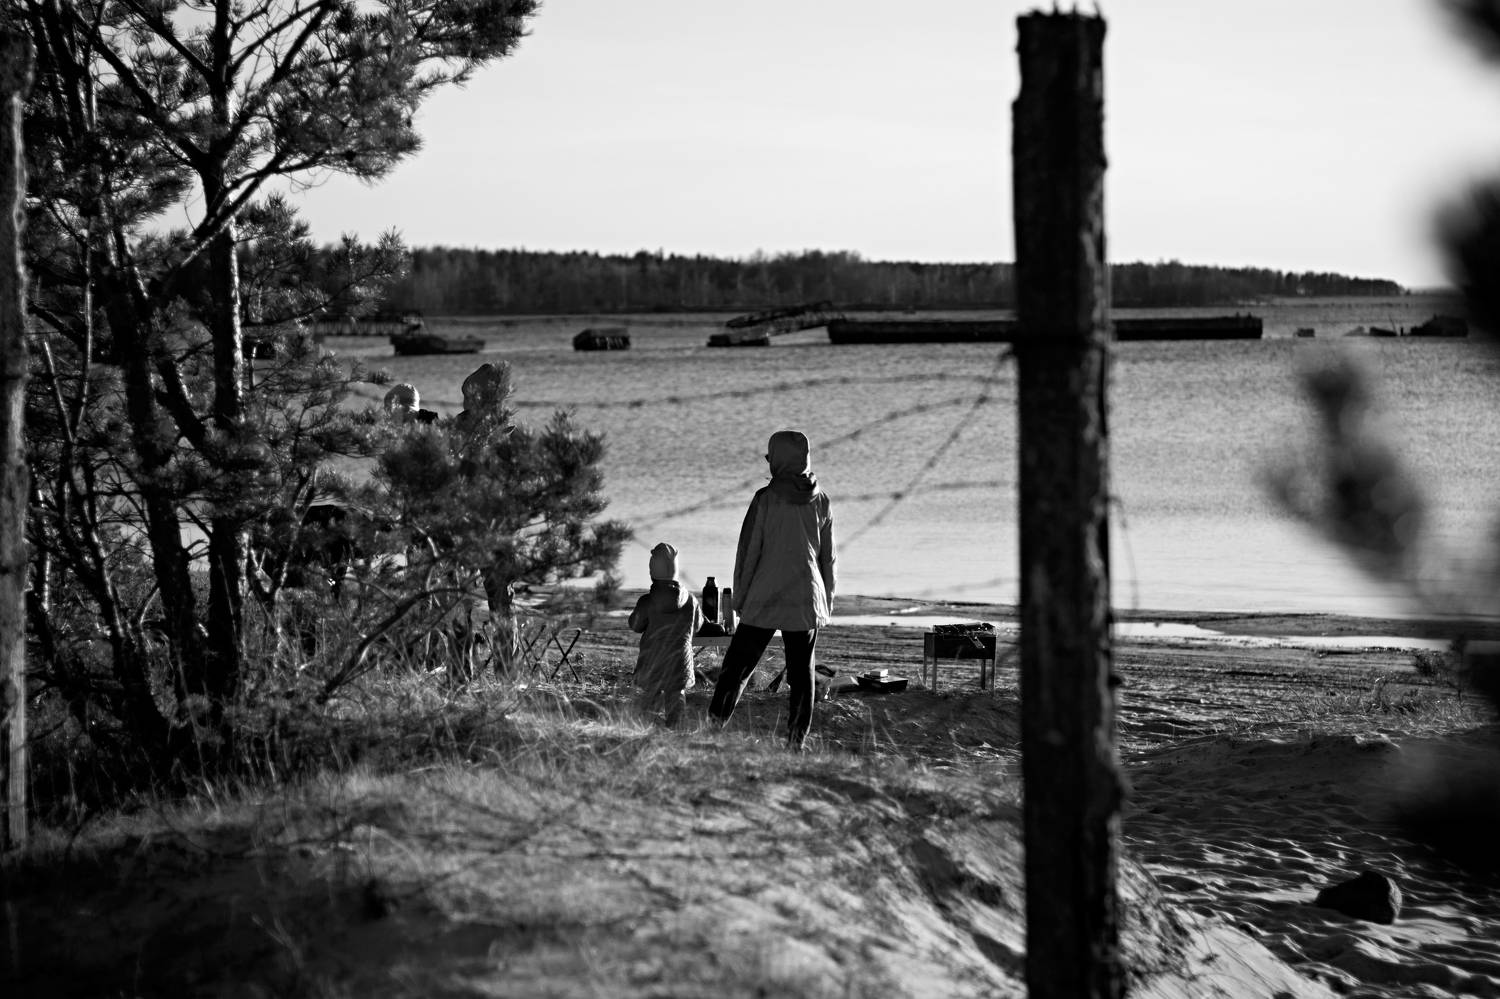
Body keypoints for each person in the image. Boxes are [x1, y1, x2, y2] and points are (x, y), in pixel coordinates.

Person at [709, 429, 836, 750]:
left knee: (738, 666)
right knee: (802, 675)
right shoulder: (821, 500)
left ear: (779, 460)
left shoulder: (765, 499)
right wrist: (826, 603)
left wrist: (740, 598)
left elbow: (748, 551)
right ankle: (796, 743)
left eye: (771, 457)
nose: (768, 463)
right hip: (807, 596)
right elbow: (828, 558)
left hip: (766, 594)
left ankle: (714, 726)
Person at [629, 542, 704, 728]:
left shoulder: (647, 601)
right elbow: (698, 626)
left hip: (652, 660)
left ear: (652, 571)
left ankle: (649, 728)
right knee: (677, 696)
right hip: (680, 661)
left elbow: (635, 625)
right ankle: (675, 729)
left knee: (649, 699)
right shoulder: (690, 600)